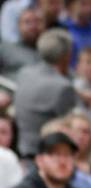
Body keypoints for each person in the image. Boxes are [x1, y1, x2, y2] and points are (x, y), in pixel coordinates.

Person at [13, 28, 78, 159]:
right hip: (45, 154)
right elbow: (69, 127)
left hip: (20, 146)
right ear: (66, 56)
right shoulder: (63, 88)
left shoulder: (24, 73)